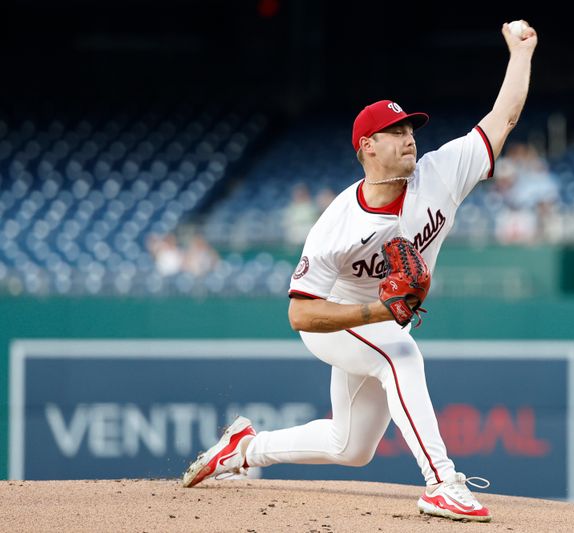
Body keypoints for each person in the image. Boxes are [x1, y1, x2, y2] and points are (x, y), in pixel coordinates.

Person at [182, 20, 539, 523]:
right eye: (395, 131)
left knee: (350, 445)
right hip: (338, 323)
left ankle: (244, 448)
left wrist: (521, 54)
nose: (409, 137)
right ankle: (442, 482)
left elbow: (502, 119)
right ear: (367, 146)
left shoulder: (440, 175)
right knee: (401, 356)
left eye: (411, 128)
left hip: (383, 321)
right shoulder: (339, 223)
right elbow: (300, 315)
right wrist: (375, 310)